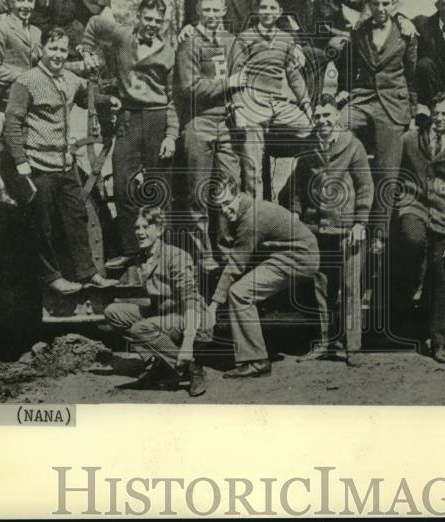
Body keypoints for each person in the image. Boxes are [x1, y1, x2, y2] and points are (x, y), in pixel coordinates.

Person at [2, 27, 112, 294]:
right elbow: (12, 122)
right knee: (44, 225)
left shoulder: (71, 79)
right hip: (38, 165)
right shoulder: (26, 81)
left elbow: (89, 97)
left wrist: (111, 100)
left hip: (65, 164)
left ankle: (88, 273)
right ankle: (51, 277)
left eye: (63, 50)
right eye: (53, 49)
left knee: (77, 218)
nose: (58, 55)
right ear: (42, 51)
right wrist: (21, 161)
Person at [80, 0, 179, 268]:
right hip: (129, 116)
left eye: (158, 21)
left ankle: (163, 254)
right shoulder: (122, 34)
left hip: (158, 118)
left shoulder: (168, 52)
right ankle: (130, 250)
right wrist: (87, 51)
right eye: (148, 19)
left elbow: (173, 99)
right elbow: (94, 24)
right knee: (122, 184)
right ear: (138, 16)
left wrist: (171, 134)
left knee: (159, 188)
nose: (152, 25)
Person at [207, 175, 320, 378]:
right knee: (242, 288)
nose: (224, 211)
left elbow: (235, 265)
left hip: (299, 258)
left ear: (237, 194)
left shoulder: (251, 219)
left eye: (227, 203)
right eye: (219, 207)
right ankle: (253, 350)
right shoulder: (245, 209)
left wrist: (213, 305)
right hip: (289, 253)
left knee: (240, 293)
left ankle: (256, 361)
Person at [335, 0, 419, 252]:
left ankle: (379, 233)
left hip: (392, 103)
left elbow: (412, 74)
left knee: (387, 169)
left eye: (386, 4)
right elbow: (348, 66)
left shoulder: (406, 33)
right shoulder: (359, 31)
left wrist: (413, 110)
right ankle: (341, 217)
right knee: (336, 129)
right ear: (368, 6)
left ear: (394, 5)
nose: (380, 9)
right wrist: (344, 93)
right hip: (363, 98)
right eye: (375, 4)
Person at [288, 94, 372, 363]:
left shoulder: (353, 146)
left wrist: (360, 223)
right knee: (320, 289)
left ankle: (353, 347)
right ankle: (324, 343)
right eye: (318, 116)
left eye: (327, 115)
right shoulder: (308, 150)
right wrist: (295, 217)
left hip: (347, 231)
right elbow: (297, 189)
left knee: (349, 288)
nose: (322, 121)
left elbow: (365, 187)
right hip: (316, 231)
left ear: (337, 116)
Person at [395, 92, 445, 364]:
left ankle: (440, 341)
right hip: (412, 206)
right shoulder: (410, 140)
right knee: (412, 239)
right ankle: (405, 324)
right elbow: (391, 175)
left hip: (442, 215)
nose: (439, 119)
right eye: (436, 113)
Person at [102, 207, 208, 397]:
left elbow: (191, 300)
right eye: (137, 228)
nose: (140, 232)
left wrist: (188, 344)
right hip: (162, 313)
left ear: (160, 230)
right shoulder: (142, 257)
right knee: (113, 312)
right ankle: (158, 364)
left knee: (140, 329)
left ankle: (193, 368)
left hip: (189, 318)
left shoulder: (175, 256)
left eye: (146, 226)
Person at [175, 0, 242, 270]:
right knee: (198, 192)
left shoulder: (233, 42)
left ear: (224, 11)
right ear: (199, 12)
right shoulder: (189, 44)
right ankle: (202, 253)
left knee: (230, 187)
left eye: (217, 10)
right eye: (207, 11)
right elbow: (189, 88)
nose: (212, 15)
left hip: (227, 124)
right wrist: (226, 84)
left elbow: (245, 78)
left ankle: (226, 248)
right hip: (199, 122)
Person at [228, 0, 312, 199]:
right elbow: (236, 76)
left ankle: (293, 196)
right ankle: (254, 215)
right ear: (257, 10)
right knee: (253, 168)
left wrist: (307, 104)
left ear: (280, 12)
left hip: (278, 104)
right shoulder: (245, 38)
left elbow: (293, 75)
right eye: (263, 7)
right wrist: (239, 108)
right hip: (252, 102)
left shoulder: (286, 39)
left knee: (310, 131)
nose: (267, 12)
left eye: (272, 8)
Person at [277, 0, 366, 99]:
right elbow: (279, 19)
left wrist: (356, 31)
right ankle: (313, 102)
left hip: (340, 40)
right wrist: (296, 42)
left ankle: (345, 93)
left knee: (347, 51)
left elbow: (366, 1)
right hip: (312, 45)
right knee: (311, 97)